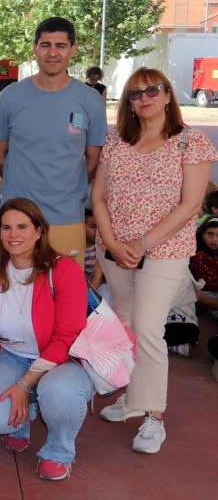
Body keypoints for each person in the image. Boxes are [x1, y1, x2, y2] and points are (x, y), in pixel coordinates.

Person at [91, 67, 217, 454]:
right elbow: (98, 197)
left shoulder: (189, 142)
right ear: (127, 102)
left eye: (152, 90)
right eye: (135, 93)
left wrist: (141, 244)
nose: (144, 98)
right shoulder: (117, 141)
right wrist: (112, 243)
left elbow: (192, 204)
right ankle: (133, 398)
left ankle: (153, 418)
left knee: (148, 330)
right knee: (127, 326)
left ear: (167, 96)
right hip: (116, 252)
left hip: (163, 253)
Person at [0, 198, 91, 481]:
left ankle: (58, 450)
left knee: (59, 393)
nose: (13, 234)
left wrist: (24, 385)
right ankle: (22, 418)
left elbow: (67, 338)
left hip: (61, 359)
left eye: (22, 226)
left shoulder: (63, 270)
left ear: (39, 231)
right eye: (6, 227)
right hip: (12, 355)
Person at [0, 17, 106, 266]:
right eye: (45, 45)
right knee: (8, 295)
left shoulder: (91, 100)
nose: (53, 53)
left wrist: (64, 190)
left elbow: (93, 161)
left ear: (73, 49)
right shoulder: (11, 96)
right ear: (35, 47)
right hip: (15, 218)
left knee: (63, 296)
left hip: (66, 218)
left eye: (61, 46)